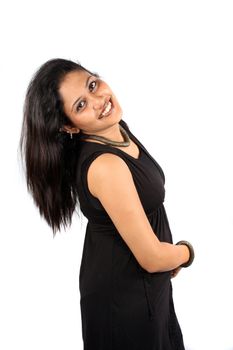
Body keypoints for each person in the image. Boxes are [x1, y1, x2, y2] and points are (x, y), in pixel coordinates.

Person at [19, 58, 194, 350]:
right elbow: (151, 257)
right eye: (80, 105)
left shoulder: (116, 130)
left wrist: (169, 257)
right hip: (125, 300)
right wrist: (185, 253)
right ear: (69, 126)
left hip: (148, 287)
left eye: (93, 84)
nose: (99, 100)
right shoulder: (105, 165)